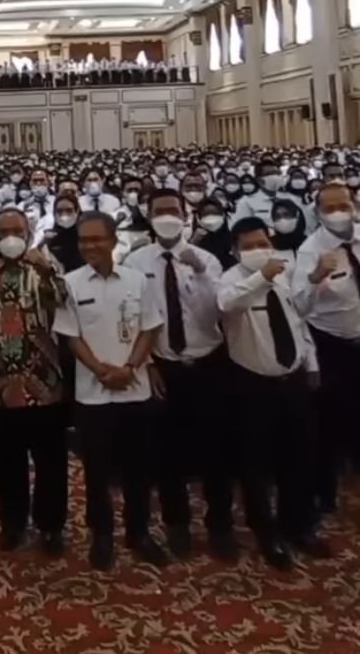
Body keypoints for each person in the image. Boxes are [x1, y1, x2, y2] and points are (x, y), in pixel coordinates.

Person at [53, 211, 168, 570]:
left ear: (113, 240)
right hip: (93, 391)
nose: (89, 246)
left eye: (96, 239)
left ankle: (139, 532)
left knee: (139, 467)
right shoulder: (69, 283)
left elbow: (149, 327)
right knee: (97, 470)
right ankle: (102, 534)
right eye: (83, 240)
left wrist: (130, 367)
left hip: (135, 387)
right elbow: (71, 337)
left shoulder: (137, 280)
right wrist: (101, 370)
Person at [124, 189, 235, 562]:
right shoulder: (137, 261)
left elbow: (218, 311)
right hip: (164, 365)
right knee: (166, 450)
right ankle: (177, 523)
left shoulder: (207, 260)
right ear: (148, 216)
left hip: (208, 362)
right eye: (159, 211)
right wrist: (148, 364)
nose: (167, 217)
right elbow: (134, 319)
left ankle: (220, 524)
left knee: (216, 448)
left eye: (174, 210)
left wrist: (200, 273)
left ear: (187, 215)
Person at [219, 217, 331, 568]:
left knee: (300, 455)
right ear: (235, 251)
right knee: (256, 463)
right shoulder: (230, 279)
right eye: (249, 246)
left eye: (263, 244)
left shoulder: (285, 273)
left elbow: (298, 318)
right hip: (253, 384)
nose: (258, 250)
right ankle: (266, 532)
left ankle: (298, 524)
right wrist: (261, 277)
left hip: (293, 380)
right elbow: (227, 305)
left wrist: (310, 363)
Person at [0, 208, 68, 555]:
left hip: (46, 380)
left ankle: (51, 526)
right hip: (4, 381)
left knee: (51, 459)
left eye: (18, 231)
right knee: (8, 459)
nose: (11, 237)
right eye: (3, 232)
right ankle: (12, 523)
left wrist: (48, 268)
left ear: (28, 234)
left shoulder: (45, 270)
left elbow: (68, 304)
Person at [291, 182, 360, 515]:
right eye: (329, 208)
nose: (338, 213)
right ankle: (325, 491)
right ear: (318, 213)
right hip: (332, 344)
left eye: (343, 206)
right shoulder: (310, 250)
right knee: (327, 422)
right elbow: (299, 306)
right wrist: (315, 277)